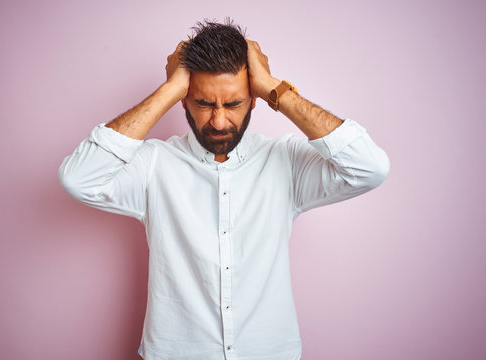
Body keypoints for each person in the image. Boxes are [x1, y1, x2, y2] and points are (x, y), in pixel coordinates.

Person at [59, 19, 389, 360]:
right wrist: (170, 89)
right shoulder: (154, 164)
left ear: (255, 100)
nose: (218, 121)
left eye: (233, 104)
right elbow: (79, 178)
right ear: (185, 101)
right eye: (203, 103)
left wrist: (275, 88)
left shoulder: (286, 162)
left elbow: (370, 168)